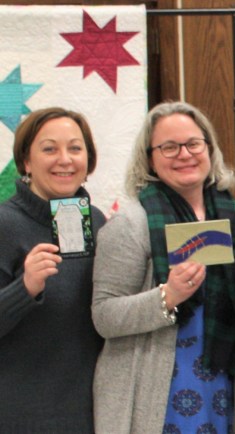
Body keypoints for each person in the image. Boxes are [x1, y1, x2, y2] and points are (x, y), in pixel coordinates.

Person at [92, 102, 235, 434]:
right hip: (156, 387)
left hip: (229, 381)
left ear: (209, 149)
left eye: (193, 144)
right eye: (169, 147)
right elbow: (104, 316)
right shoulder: (130, 224)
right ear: (150, 159)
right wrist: (168, 296)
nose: (184, 154)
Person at [0, 108, 105, 432]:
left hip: (92, 413)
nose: (65, 159)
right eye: (49, 149)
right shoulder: (5, 224)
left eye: (75, 148)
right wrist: (25, 288)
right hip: (21, 417)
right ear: (26, 162)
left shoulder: (97, 221)